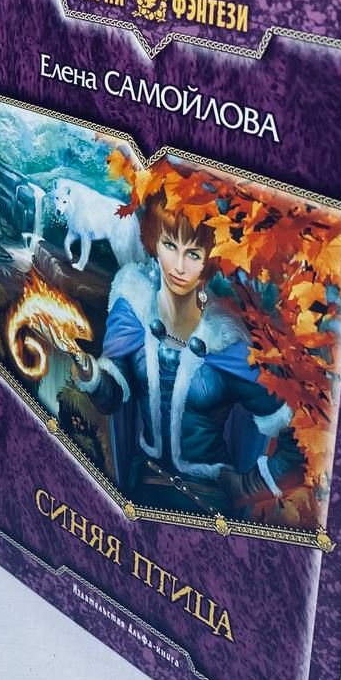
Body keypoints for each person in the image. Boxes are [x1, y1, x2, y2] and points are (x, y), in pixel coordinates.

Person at [67, 188, 306, 519]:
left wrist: (248, 486)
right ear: (154, 241)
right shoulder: (133, 308)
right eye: (170, 246)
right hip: (141, 487)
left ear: (209, 258)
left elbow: (299, 440)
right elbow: (111, 399)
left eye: (193, 254)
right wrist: (92, 376)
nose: (179, 266)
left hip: (206, 502)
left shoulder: (227, 341)